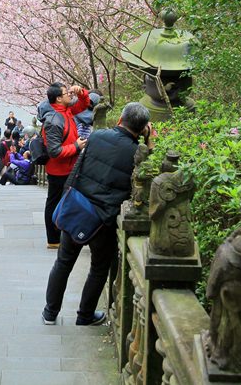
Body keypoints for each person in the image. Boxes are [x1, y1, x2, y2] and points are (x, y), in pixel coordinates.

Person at [43, 102, 151, 326]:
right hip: (104, 218)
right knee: (99, 267)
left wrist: (67, 196)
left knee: (63, 261)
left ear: (120, 120)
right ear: (142, 129)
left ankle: (50, 313)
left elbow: (77, 169)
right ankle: (84, 316)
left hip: (78, 207)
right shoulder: (136, 153)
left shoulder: (97, 136)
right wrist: (148, 144)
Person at [42, 83, 91, 248]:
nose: (70, 94)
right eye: (66, 93)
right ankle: (53, 239)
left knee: (63, 202)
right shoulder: (54, 119)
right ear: (58, 98)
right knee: (55, 202)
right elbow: (54, 151)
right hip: (58, 170)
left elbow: (85, 104)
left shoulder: (67, 112)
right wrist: (76, 146)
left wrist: (82, 92)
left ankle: (61, 237)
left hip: (69, 168)